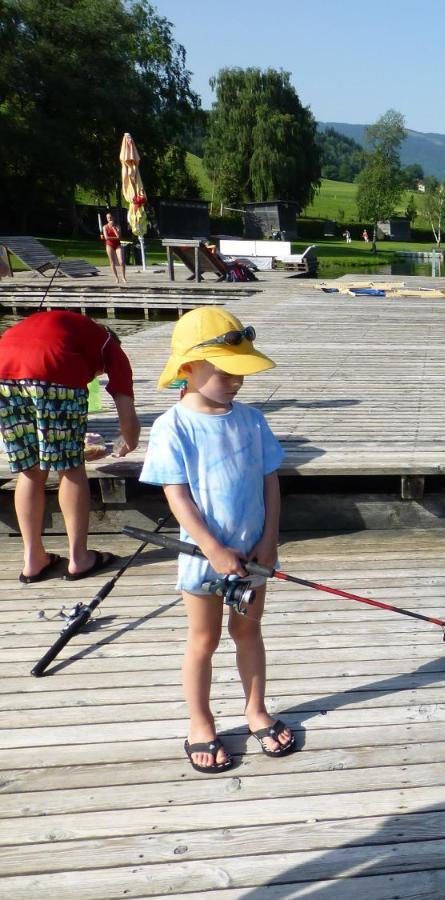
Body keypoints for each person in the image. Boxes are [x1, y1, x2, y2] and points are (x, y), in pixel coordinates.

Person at [140, 308, 295, 773]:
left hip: (254, 555)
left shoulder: (251, 421)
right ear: (188, 368)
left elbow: (270, 482)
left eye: (241, 372)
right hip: (203, 559)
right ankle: (200, 722)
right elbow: (177, 496)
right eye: (225, 372)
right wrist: (212, 547)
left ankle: (255, 709)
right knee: (203, 640)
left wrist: (269, 540)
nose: (236, 381)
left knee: (248, 630)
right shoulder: (173, 426)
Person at [0, 311, 140, 582]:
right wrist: (129, 442)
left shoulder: (73, 330)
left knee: (30, 469)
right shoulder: (109, 344)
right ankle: (79, 559)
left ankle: (33, 559)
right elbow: (127, 413)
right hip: (53, 367)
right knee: (71, 467)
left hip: (3, 367)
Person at [101, 212, 127, 284]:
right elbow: (106, 237)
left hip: (117, 244)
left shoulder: (117, 226)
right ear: (106, 219)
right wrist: (116, 237)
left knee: (121, 261)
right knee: (112, 262)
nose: (110, 219)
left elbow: (119, 237)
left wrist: (113, 228)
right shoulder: (105, 227)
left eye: (111, 217)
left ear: (113, 218)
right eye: (108, 218)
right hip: (109, 245)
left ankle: (123, 277)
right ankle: (116, 278)